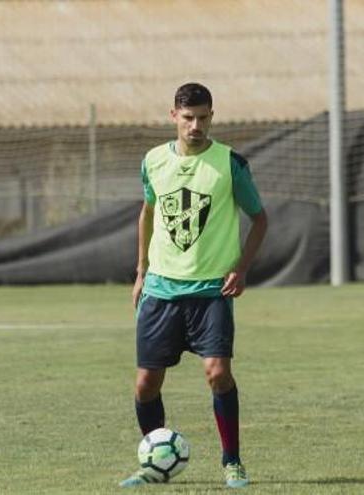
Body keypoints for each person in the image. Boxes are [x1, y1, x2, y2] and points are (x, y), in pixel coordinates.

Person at [119, 82, 268, 488]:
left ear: (212, 116)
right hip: (161, 289)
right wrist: (141, 270)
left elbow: (260, 219)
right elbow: (147, 214)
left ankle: (232, 462)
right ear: (173, 117)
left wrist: (241, 267)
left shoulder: (230, 163)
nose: (195, 125)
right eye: (188, 118)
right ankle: (153, 463)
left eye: (203, 117)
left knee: (218, 373)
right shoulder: (153, 161)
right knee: (146, 384)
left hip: (210, 291)